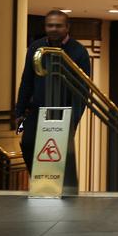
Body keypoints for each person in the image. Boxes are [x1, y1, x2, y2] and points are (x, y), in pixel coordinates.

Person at [15, 10, 90, 183]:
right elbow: (27, 79)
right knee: (27, 144)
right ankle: (40, 182)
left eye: (58, 25)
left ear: (67, 27)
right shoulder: (36, 47)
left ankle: (59, 187)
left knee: (59, 152)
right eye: (50, 25)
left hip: (63, 111)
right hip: (37, 109)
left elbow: (83, 89)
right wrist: (19, 110)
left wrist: (74, 119)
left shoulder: (78, 51)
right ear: (45, 27)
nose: (54, 29)